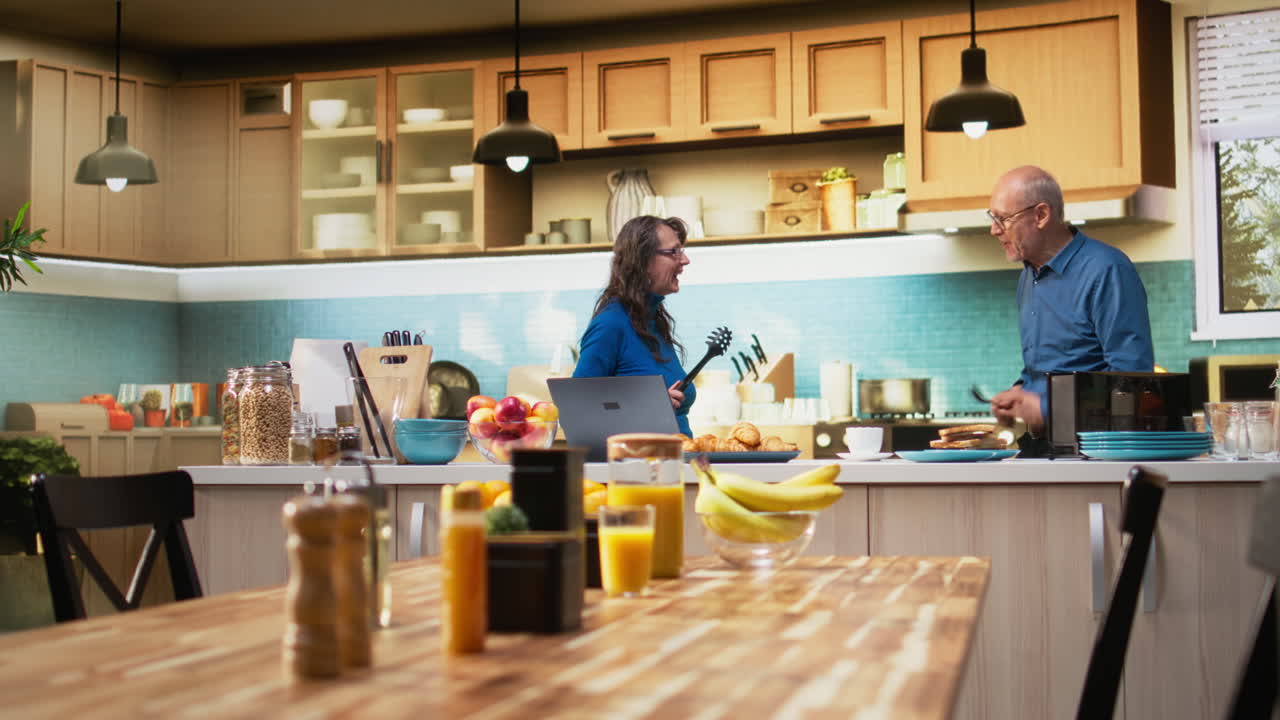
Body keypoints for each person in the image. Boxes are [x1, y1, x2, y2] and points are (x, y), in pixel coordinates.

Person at [987, 166, 1154, 441]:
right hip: (1047, 446)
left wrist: (1044, 408)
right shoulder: (1029, 276)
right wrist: (1020, 392)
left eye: (1003, 218)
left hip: (1095, 451)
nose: (994, 230)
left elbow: (1132, 379)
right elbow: (1048, 367)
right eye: (993, 217)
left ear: (1041, 215)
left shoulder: (1106, 270)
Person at [573, 215, 697, 436]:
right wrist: (646, 410)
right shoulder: (611, 325)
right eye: (674, 252)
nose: (685, 260)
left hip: (676, 463)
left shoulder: (653, 321)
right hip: (641, 468)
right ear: (643, 261)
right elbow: (577, 413)